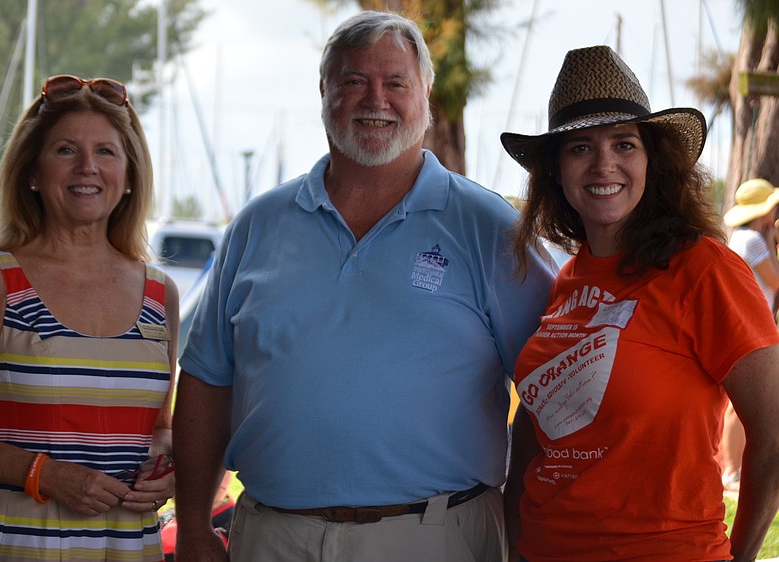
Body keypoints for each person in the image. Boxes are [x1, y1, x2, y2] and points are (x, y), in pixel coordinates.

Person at [173, 10, 556, 562]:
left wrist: (523, 530)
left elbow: (552, 390)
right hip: (271, 537)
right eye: (354, 81)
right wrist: (190, 526)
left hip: (436, 538)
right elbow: (207, 382)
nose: (376, 100)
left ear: (423, 94)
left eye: (395, 83)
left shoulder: (489, 227)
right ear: (324, 92)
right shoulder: (258, 225)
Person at [500, 44, 779, 561]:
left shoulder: (704, 270)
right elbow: (539, 429)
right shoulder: (565, 280)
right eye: (580, 147)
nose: (604, 163)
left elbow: (774, 431)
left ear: (653, 160)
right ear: (557, 172)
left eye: (624, 144)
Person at [0, 74, 179, 561]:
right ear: (32, 172)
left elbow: (159, 428)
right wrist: (47, 475)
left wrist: (166, 464)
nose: (88, 167)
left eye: (106, 152)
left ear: (129, 176)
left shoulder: (159, 294)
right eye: (66, 150)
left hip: (127, 546)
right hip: (16, 545)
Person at [720, 178, 779, 493]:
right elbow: (776, 279)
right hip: (750, 327)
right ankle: (731, 470)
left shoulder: (741, 237)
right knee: (737, 403)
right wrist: (771, 238)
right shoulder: (753, 240)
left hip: (746, 325)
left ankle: (733, 468)